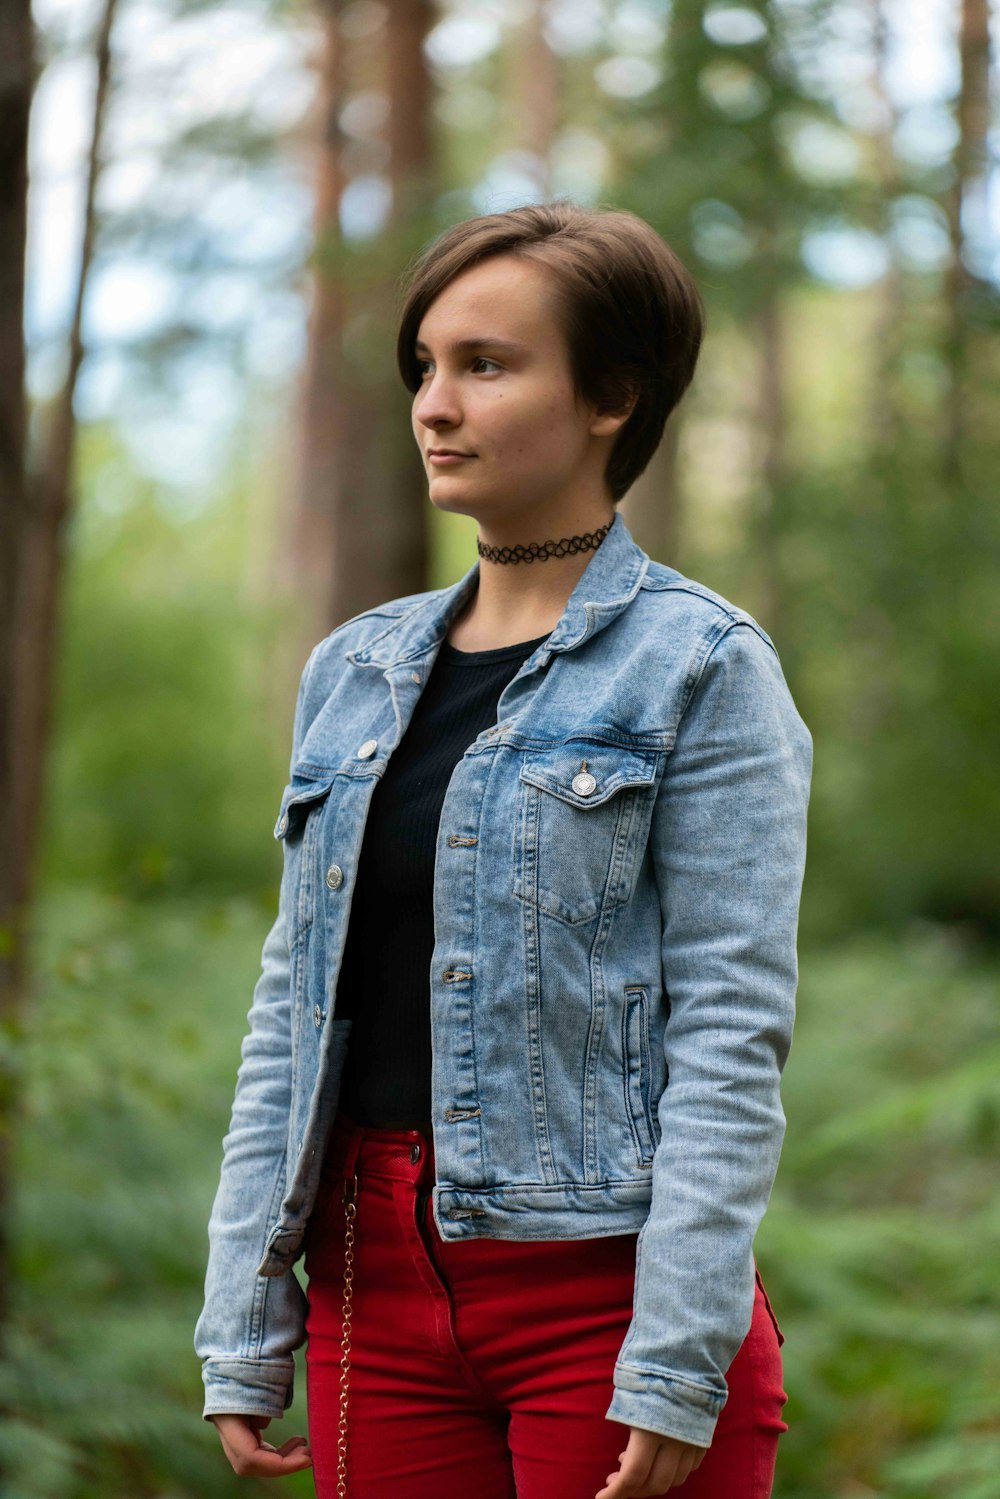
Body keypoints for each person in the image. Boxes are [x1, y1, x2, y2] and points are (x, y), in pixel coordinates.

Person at [194, 198, 812, 1498]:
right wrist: (244, 1320)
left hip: (605, 1301)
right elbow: (289, 1013)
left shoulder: (705, 667)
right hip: (371, 1300)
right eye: (424, 365)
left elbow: (729, 1028)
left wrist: (677, 1353)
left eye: (486, 364)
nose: (433, 403)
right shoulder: (353, 669)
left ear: (611, 397)